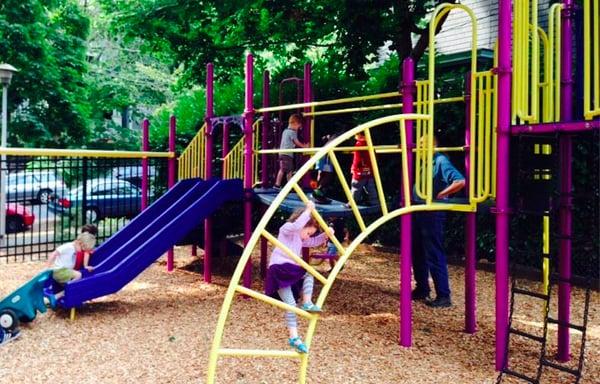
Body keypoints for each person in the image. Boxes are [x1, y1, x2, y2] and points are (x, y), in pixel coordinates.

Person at [264, 201, 333, 353]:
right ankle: (307, 302)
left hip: (287, 271)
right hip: (280, 268)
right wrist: (308, 210)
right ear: (303, 223)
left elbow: (314, 241)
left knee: (291, 305)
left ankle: (294, 338)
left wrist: (326, 234)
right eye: (308, 232)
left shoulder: (300, 238)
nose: (307, 237)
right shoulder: (287, 229)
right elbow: (296, 227)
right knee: (307, 272)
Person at [412, 135, 465, 308]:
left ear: (432, 145)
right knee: (417, 251)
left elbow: (459, 181)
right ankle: (422, 289)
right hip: (420, 209)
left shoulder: (440, 160)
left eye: (422, 145)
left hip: (432, 212)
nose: (419, 148)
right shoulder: (427, 162)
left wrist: (442, 195)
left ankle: (444, 295)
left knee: (434, 252)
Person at [46, 232, 96, 304]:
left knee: (74, 283)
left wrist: (86, 266)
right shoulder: (68, 247)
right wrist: (47, 267)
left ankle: (57, 296)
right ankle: (58, 296)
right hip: (59, 271)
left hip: (63, 272)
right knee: (78, 275)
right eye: (82, 249)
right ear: (79, 243)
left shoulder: (75, 249)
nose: (82, 252)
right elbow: (54, 254)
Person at [274, 114, 309, 189]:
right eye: (298, 126)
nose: (298, 129)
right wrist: (304, 146)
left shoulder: (285, 131)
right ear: (295, 123)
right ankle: (281, 185)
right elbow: (296, 142)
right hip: (287, 154)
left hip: (283, 153)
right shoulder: (292, 132)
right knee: (286, 170)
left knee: (285, 169)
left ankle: (283, 185)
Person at [350, 131, 379, 206]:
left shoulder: (359, 144)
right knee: (370, 186)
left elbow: (357, 159)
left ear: (359, 135)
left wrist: (354, 168)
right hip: (369, 169)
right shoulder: (370, 144)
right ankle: (374, 201)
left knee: (356, 186)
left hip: (360, 170)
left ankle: (352, 202)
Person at [312, 134, 336, 204]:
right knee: (328, 176)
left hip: (322, 157)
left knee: (321, 174)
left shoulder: (325, 141)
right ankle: (318, 191)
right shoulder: (330, 140)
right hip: (325, 159)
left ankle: (318, 193)